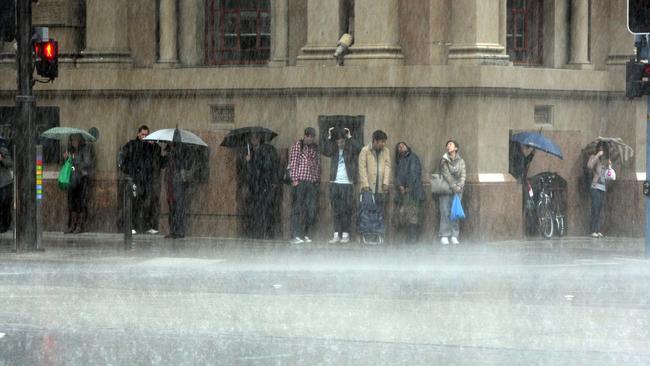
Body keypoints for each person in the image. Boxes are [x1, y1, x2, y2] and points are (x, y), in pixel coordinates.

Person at [120, 125, 164, 234]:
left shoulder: (153, 147)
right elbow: (122, 158)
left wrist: (153, 147)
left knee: (148, 204)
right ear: (138, 134)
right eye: (143, 134)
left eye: (146, 134)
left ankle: (148, 226)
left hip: (148, 180)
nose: (144, 136)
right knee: (134, 204)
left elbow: (158, 162)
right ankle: (132, 226)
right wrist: (129, 171)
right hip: (136, 179)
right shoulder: (132, 145)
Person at [322, 127, 361, 244]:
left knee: (346, 210)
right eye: (338, 141)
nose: (340, 144)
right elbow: (325, 150)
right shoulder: (333, 151)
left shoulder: (350, 150)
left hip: (347, 184)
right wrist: (329, 136)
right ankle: (336, 234)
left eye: (342, 141)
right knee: (336, 210)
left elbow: (358, 149)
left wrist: (349, 136)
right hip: (334, 183)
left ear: (345, 141)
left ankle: (345, 234)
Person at [242, 132, 281, 239]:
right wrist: (248, 162)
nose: (253, 140)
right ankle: (259, 233)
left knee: (267, 211)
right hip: (255, 187)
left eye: (255, 138)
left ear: (259, 139)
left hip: (265, 185)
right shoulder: (250, 152)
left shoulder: (266, 150)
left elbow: (265, 167)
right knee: (257, 211)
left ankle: (268, 234)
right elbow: (250, 172)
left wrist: (251, 161)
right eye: (252, 138)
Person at [288, 127, 321, 244]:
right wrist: (294, 179)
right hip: (300, 180)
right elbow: (293, 162)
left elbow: (317, 164)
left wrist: (317, 180)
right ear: (305, 136)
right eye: (309, 137)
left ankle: (306, 233)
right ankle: (295, 235)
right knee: (297, 209)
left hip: (311, 182)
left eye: (313, 137)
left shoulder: (315, 148)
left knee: (310, 209)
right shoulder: (298, 145)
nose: (311, 140)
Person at [358, 130, 391, 240]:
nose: (383, 144)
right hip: (368, 188)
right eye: (381, 142)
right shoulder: (365, 150)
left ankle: (378, 234)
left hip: (380, 188)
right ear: (375, 141)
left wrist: (386, 182)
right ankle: (367, 234)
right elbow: (362, 168)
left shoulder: (386, 151)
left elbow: (388, 166)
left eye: (384, 142)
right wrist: (365, 184)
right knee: (367, 212)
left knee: (379, 212)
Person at [394, 141, 425, 243]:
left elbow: (414, 174)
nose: (401, 147)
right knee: (404, 213)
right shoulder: (400, 160)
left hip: (413, 192)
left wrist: (408, 188)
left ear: (407, 147)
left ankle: (412, 237)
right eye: (399, 146)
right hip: (404, 192)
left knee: (412, 214)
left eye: (403, 145)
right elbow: (397, 175)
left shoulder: (413, 158)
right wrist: (400, 186)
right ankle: (410, 237)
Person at [437, 139, 466, 245]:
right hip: (446, 190)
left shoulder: (461, 161)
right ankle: (444, 235)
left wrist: (460, 185)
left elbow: (463, 174)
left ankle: (454, 235)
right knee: (445, 212)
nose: (448, 146)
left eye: (450, 144)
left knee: (455, 213)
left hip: (458, 191)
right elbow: (446, 175)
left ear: (456, 148)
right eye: (447, 145)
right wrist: (454, 186)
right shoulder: (444, 160)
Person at [64, 134, 93, 234]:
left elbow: (87, 164)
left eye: (76, 140)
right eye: (72, 140)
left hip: (82, 179)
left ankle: (79, 226)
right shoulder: (71, 151)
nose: (74, 142)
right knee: (72, 203)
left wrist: (75, 163)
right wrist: (68, 159)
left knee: (81, 203)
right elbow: (71, 167)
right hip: (72, 179)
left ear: (80, 141)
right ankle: (72, 225)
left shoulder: (85, 150)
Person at [587, 141, 611, 238]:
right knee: (595, 208)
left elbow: (607, 175)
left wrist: (609, 166)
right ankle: (593, 230)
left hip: (602, 188)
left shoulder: (604, 161)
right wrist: (597, 155)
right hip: (595, 187)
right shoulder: (594, 157)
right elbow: (589, 166)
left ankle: (597, 230)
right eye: (600, 148)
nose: (601, 150)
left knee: (599, 209)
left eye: (603, 149)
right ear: (597, 149)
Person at [163, 143, 187, 239]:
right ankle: (173, 231)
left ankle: (178, 231)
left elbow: (182, 171)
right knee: (173, 209)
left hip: (176, 185)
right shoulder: (169, 154)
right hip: (171, 186)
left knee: (178, 209)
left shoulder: (179, 154)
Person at [0, 143, 12, 233]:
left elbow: (9, 163)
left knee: (5, 204)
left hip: (4, 183)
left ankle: (5, 225)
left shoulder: (3, 151)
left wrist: (1, 159)